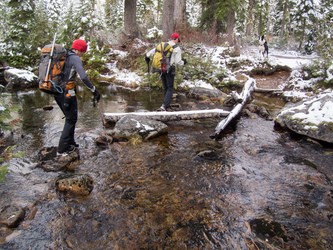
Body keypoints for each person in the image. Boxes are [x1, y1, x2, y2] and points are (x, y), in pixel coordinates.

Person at [54, 39, 100, 155]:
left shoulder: (64, 56)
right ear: (79, 50)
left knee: (70, 117)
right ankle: (62, 148)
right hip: (67, 93)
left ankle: (71, 143)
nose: (82, 55)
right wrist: (94, 90)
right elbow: (83, 77)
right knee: (71, 119)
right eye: (83, 52)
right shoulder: (75, 58)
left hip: (57, 91)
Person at [145, 33, 186, 111]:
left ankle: (167, 105)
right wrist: (184, 62)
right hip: (169, 69)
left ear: (170, 38)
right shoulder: (176, 48)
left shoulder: (161, 45)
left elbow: (149, 54)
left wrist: (147, 58)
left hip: (160, 69)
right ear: (176, 39)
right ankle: (164, 105)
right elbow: (178, 62)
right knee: (170, 88)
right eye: (178, 40)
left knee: (165, 87)